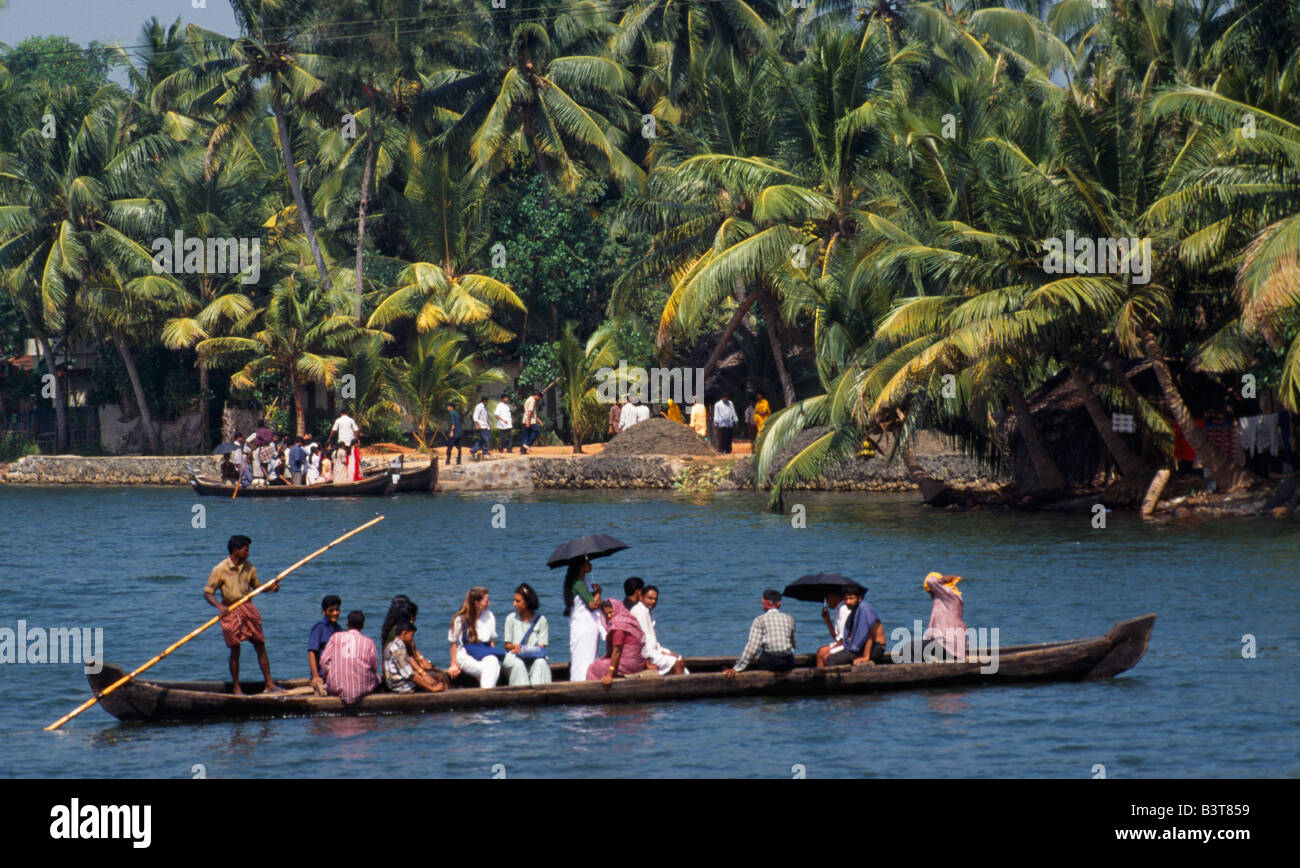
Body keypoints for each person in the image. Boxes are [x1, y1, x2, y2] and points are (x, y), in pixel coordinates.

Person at [203, 534, 283, 695]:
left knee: (260, 644)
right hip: (230, 610)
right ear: (236, 550)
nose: (248, 553)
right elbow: (208, 593)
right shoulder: (220, 569)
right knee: (235, 648)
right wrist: (219, 606)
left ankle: (269, 684)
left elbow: (257, 587)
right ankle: (236, 687)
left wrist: (271, 587)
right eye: (246, 550)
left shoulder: (250, 567)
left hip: (247, 608)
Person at [723, 590, 796, 677]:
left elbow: (753, 647)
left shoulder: (760, 620)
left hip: (771, 662)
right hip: (788, 662)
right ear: (779, 604)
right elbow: (793, 644)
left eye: (762, 602)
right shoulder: (789, 619)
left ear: (767, 603)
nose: (762, 605)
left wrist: (737, 668)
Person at [587, 598, 656, 685]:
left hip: (630, 665)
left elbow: (617, 651)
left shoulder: (618, 627)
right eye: (606, 614)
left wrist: (610, 674)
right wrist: (646, 663)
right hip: (639, 663)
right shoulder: (629, 620)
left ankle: (596, 692)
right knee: (600, 662)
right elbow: (642, 642)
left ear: (617, 609)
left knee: (593, 668)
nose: (609, 616)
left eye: (611, 612)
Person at [320, 610, 379, 704]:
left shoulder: (335, 637)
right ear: (363, 625)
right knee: (378, 679)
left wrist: (331, 673)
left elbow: (323, 660)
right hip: (362, 688)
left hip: (336, 687)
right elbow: (374, 667)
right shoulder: (369, 642)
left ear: (347, 623)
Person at [447, 587, 502, 688]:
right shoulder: (460, 619)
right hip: (466, 655)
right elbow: (453, 643)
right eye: (486, 601)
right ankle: (488, 695)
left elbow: (491, 642)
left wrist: (493, 653)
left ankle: (485, 694)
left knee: (492, 661)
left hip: (485, 652)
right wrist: (453, 664)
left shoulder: (489, 616)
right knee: (493, 669)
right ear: (477, 603)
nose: (489, 604)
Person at [562, 558, 606, 682]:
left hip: (588, 624)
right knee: (583, 655)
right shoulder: (579, 583)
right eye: (587, 562)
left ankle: (588, 678)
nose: (590, 564)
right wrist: (598, 593)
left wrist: (597, 593)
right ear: (581, 566)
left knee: (589, 654)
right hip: (583, 625)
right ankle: (581, 680)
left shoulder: (584, 581)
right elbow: (592, 605)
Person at [820, 584, 885, 667]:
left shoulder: (864, 609)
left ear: (859, 598)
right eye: (846, 599)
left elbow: (869, 635)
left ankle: (834, 679)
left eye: (851, 598)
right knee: (828, 656)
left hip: (876, 648)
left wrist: (865, 657)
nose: (848, 602)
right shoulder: (855, 611)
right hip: (860, 647)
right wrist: (828, 621)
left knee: (831, 659)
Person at [502, 583, 552, 686]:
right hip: (515, 656)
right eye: (514, 601)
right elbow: (507, 645)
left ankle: (540, 695)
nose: (514, 604)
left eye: (518, 601)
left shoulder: (541, 621)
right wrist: (515, 647)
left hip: (534, 656)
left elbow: (541, 647)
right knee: (518, 665)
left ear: (527, 602)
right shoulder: (510, 619)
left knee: (541, 663)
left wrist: (525, 650)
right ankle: (519, 696)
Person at [632, 583, 686, 675]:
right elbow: (640, 640)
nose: (653, 601)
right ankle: (679, 688)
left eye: (655, 599)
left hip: (653, 651)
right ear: (641, 597)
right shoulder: (640, 612)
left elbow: (652, 640)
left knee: (680, 658)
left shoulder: (647, 611)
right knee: (677, 663)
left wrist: (664, 652)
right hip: (646, 656)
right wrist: (647, 663)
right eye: (650, 598)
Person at [383, 623, 446, 693]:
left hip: (392, 683)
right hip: (400, 686)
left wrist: (424, 675)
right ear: (404, 633)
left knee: (429, 677)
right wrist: (432, 688)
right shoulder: (399, 650)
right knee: (437, 678)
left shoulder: (392, 645)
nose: (412, 639)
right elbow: (411, 675)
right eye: (412, 635)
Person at [923, 571, 967, 660]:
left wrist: (943, 579)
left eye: (931, 592)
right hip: (945, 645)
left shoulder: (948, 596)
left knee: (908, 649)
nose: (931, 596)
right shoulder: (946, 599)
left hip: (948, 646)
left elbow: (930, 581)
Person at [815, 584, 857, 667]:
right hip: (843, 643)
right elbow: (836, 637)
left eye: (828, 598)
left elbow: (842, 640)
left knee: (823, 655)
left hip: (848, 644)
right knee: (820, 652)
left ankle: (822, 678)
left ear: (836, 597)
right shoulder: (838, 609)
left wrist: (832, 648)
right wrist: (827, 621)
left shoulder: (843, 609)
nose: (826, 601)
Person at [308, 594, 342, 691]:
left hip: (336, 673)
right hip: (322, 675)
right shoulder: (319, 627)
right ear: (324, 612)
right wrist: (315, 676)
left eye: (337, 610)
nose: (335, 613)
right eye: (331, 610)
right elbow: (311, 652)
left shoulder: (338, 629)